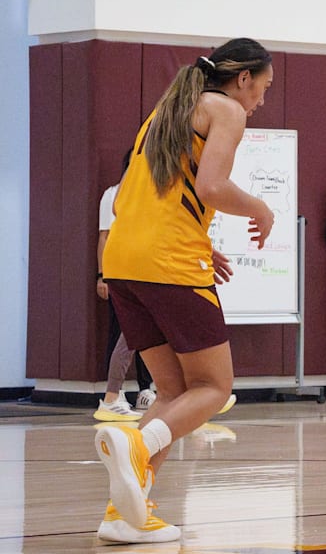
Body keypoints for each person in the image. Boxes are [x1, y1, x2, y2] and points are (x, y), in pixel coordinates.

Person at [95, 38, 275, 544]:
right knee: (214, 389)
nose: (262, 97)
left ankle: (123, 513)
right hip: (169, 260)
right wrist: (261, 208)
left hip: (126, 259)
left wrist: (198, 242)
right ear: (244, 79)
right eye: (264, 86)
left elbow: (158, 191)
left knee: (173, 391)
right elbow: (212, 187)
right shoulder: (227, 110)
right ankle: (135, 444)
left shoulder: (167, 109)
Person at [94, 148, 152, 422]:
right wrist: (102, 275)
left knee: (142, 334)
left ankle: (147, 391)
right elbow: (107, 237)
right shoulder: (121, 195)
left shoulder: (144, 194)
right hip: (128, 271)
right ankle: (112, 396)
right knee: (128, 334)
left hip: (141, 270)